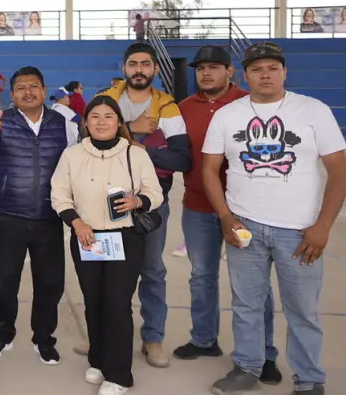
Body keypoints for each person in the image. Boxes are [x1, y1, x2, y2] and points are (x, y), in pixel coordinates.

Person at [203, 42, 345, 395]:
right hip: (245, 226)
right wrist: (225, 216)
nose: (264, 74)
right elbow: (209, 168)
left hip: (299, 231)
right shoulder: (227, 115)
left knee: (302, 311)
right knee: (246, 303)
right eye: (256, 69)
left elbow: (339, 170)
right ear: (244, 74)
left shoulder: (312, 111)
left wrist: (323, 227)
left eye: (272, 68)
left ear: (285, 72)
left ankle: (310, 379)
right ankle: (247, 367)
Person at [172, 46, 282, 381]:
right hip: (198, 205)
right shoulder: (184, 108)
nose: (206, 74)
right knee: (201, 275)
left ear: (230, 71)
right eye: (200, 68)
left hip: (245, 209)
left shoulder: (250, 104)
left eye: (214, 68)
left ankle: (264, 355)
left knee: (252, 286)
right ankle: (204, 339)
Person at [52, 95, 163, 395]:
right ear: (85, 122)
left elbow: (155, 193)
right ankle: (98, 360)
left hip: (124, 238)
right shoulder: (72, 155)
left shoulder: (135, 154)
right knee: (94, 300)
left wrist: (138, 200)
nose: (102, 122)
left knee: (117, 304)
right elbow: (59, 195)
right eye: (95, 116)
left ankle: (119, 375)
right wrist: (77, 222)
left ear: (118, 122)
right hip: (87, 237)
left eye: (109, 116)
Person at [100, 43, 191, 368]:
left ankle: (153, 338)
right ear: (125, 68)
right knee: (108, 274)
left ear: (154, 69)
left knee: (152, 272)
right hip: (105, 205)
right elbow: (88, 141)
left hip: (151, 205)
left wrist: (134, 144)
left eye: (145, 64)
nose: (139, 69)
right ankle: (104, 337)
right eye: (133, 64)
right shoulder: (107, 99)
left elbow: (181, 158)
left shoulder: (167, 108)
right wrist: (131, 130)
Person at [0, 67, 75, 363]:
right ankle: (2, 334)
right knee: (5, 280)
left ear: (44, 91)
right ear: (11, 95)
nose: (28, 92)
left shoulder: (65, 123)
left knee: (50, 282)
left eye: (34, 86)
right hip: (11, 215)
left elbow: (78, 161)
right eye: (21, 88)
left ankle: (44, 338)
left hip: (50, 216)